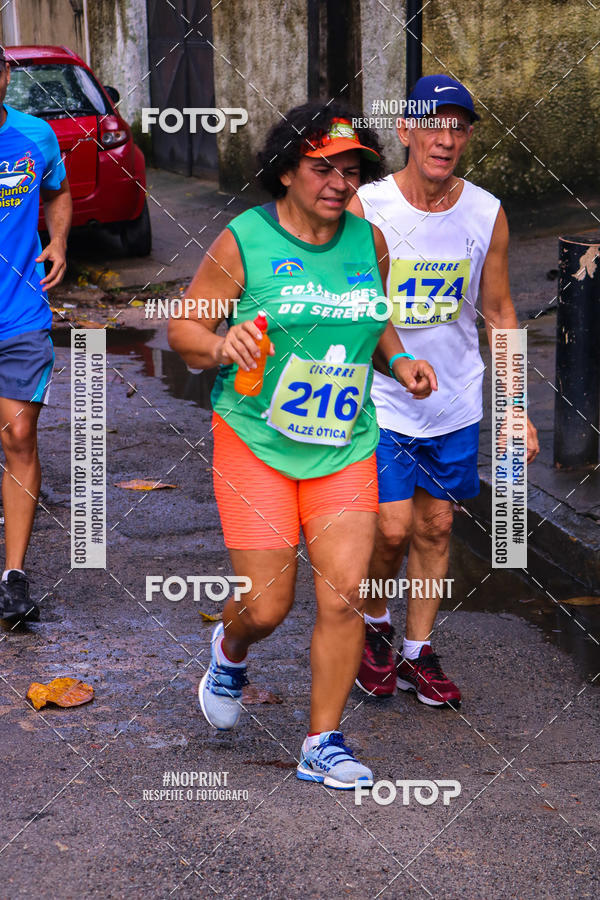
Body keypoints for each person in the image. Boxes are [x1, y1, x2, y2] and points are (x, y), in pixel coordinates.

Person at [168, 102, 437, 789]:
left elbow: (375, 319)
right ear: (286, 170)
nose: (341, 183)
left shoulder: (368, 243)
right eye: (324, 168)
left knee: (344, 594)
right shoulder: (245, 240)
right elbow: (184, 333)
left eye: (352, 171)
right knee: (267, 605)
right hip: (255, 440)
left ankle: (323, 742)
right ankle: (229, 650)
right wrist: (220, 340)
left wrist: (399, 362)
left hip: (342, 444)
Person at [348, 74, 539, 706]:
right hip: (380, 399)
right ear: (405, 131)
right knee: (392, 529)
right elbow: (351, 304)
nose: (445, 139)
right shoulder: (368, 206)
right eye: (432, 124)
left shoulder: (485, 212)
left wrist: (514, 409)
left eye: (457, 127)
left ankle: (415, 651)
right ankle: (373, 629)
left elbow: (502, 311)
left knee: (435, 528)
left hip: (455, 399)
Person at [0, 48, 71, 622]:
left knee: (19, 436)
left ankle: (14, 575)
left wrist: (59, 241)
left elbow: (58, 191)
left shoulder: (35, 136)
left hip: (21, 312)